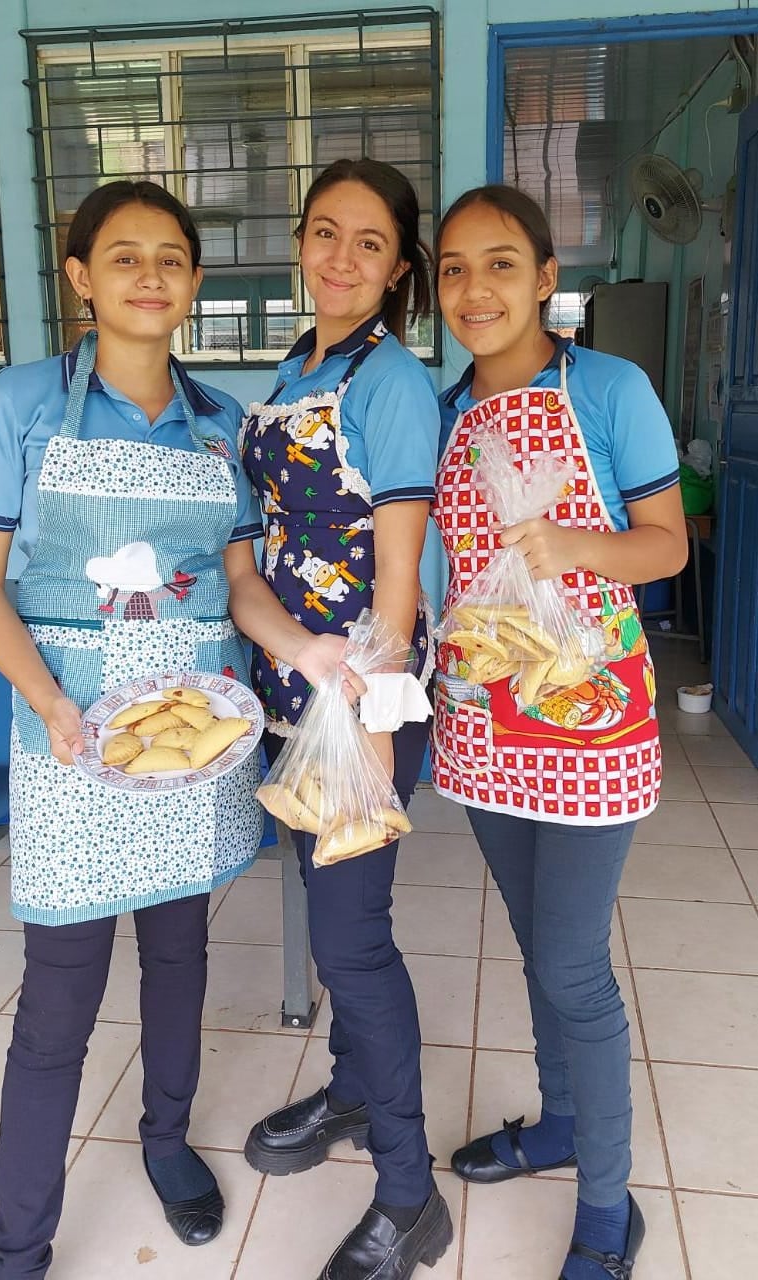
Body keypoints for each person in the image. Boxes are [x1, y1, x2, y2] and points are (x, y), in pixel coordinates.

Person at [0, 179, 349, 1279]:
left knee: (178, 952)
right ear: (79, 277)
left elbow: (237, 584)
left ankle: (166, 1141)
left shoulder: (220, 423)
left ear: (194, 283)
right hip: (71, 728)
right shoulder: (25, 406)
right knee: (58, 995)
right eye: (121, 255)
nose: (147, 274)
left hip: (196, 728)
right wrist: (47, 700)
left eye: (170, 256)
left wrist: (297, 649)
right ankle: (18, 1240)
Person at [431, 185, 688, 1280]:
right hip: (485, 718)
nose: (472, 288)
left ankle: (605, 1204)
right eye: (449, 267)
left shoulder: (608, 389)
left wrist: (574, 547)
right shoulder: (446, 410)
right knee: (537, 947)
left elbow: (667, 545)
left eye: (498, 263)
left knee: (574, 963)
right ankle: (556, 1123)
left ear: (544, 277)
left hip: (589, 717)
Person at [240, 158, 453, 1280]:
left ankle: (409, 1195)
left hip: (363, 702)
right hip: (294, 695)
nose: (338, 257)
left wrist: (374, 718)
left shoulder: (392, 382)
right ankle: (356, 1085)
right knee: (335, 921)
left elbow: (400, 570)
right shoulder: (297, 366)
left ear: (399, 267)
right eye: (323, 232)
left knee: (351, 938)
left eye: (367, 242)